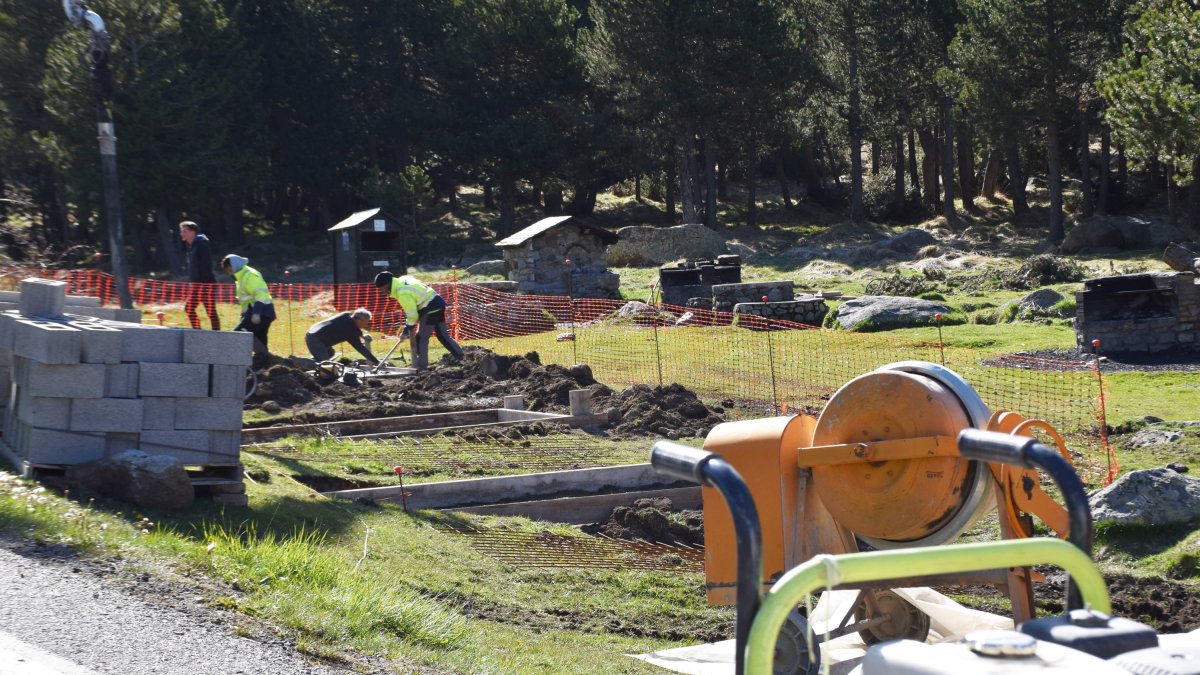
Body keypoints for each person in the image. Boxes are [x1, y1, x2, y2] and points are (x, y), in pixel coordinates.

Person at [373, 271, 463, 370]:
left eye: (381, 288)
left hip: (429, 307)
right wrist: (408, 326)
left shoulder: (402, 293)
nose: (381, 291)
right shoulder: (403, 279)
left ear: (386, 284)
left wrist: (407, 329)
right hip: (437, 302)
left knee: (421, 338)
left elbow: (413, 315)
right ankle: (462, 357)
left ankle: (421, 367)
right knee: (443, 335)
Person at [221, 254, 274, 355]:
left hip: (261, 312)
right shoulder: (241, 277)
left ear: (235, 265)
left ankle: (235, 360)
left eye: (230, 270)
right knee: (259, 339)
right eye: (228, 271)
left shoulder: (249, 275)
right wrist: (243, 316)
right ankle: (264, 360)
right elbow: (246, 301)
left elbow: (261, 294)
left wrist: (256, 313)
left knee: (239, 334)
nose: (230, 273)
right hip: (261, 313)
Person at [179, 221, 220, 330]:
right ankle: (198, 332)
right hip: (196, 285)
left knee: (210, 311)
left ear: (193, 232)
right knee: (189, 308)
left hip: (206, 284)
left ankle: (217, 334)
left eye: (184, 231)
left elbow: (207, 266)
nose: (182, 234)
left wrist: (203, 285)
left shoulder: (202, 246)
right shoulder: (190, 246)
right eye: (181, 231)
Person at [305, 308, 379, 366]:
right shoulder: (349, 330)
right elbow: (360, 348)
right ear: (359, 320)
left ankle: (305, 364)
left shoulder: (346, 315)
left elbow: (354, 327)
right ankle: (299, 363)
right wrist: (376, 361)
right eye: (366, 322)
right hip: (315, 339)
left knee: (330, 353)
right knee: (325, 365)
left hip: (314, 332)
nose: (366, 324)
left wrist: (361, 335)